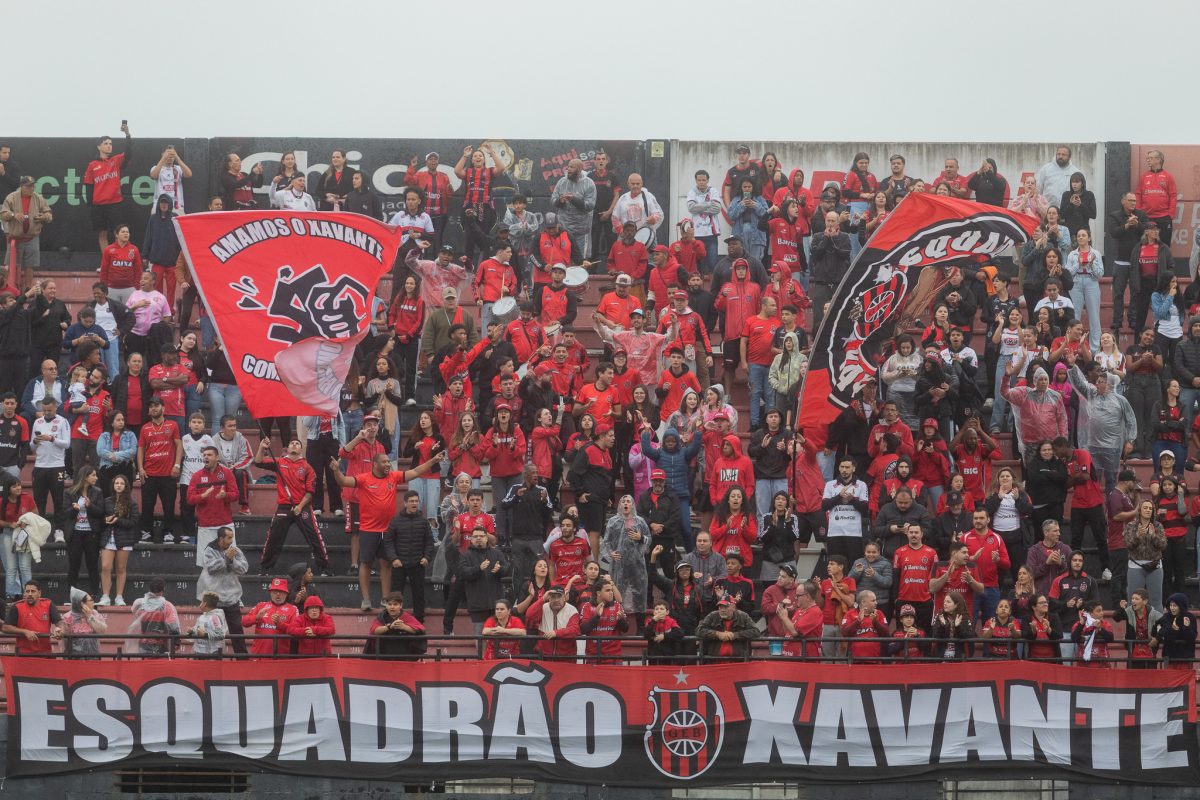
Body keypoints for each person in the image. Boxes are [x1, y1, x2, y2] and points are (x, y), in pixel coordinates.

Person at [329, 448, 442, 611]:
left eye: (389, 461)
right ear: (375, 464)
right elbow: (343, 482)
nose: (388, 464)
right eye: (384, 462)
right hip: (368, 529)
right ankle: (366, 599)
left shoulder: (394, 477)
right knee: (366, 563)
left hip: (389, 530)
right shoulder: (364, 479)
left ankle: (385, 599)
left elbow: (416, 471)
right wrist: (336, 470)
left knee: (386, 564)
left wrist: (433, 461)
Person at [383, 490, 436, 623]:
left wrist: (427, 557)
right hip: (399, 564)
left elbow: (429, 542)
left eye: (416, 501)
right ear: (405, 502)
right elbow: (388, 541)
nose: (414, 503)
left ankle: (419, 622)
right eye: (411, 501)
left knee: (419, 595)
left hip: (418, 564)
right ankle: (392, 620)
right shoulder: (396, 521)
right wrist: (394, 558)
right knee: (395, 595)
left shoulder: (424, 521)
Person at [195, 526, 247, 655]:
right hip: (214, 599)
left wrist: (232, 560)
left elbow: (244, 568)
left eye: (232, 537)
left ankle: (242, 659)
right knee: (213, 630)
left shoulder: (235, 551)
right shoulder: (209, 550)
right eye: (228, 538)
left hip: (231, 598)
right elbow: (211, 568)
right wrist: (225, 559)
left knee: (236, 630)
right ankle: (213, 657)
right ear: (221, 538)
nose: (231, 541)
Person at [84, 124, 133, 253]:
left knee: (119, 233)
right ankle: (106, 262)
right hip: (99, 206)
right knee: (102, 234)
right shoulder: (92, 165)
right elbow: (88, 186)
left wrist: (127, 135)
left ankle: (119, 259)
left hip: (115, 203)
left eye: (110, 143)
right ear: (99, 146)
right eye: (105, 143)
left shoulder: (115, 160)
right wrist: (91, 204)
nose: (109, 146)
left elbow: (129, 154)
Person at [30, 395, 68, 542]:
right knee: (39, 501)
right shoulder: (37, 422)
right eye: (44, 410)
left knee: (58, 500)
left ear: (55, 408)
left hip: (57, 466)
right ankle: (41, 532)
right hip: (40, 466)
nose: (46, 413)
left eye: (49, 410)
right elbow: (31, 446)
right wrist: (35, 440)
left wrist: (52, 438)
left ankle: (59, 531)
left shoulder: (62, 422)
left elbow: (67, 443)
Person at [808, 211, 851, 334]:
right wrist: (826, 238)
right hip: (821, 282)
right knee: (818, 317)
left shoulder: (844, 237)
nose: (830, 224)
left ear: (838, 222)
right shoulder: (817, 236)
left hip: (839, 283)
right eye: (828, 221)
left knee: (841, 316)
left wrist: (834, 239)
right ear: (825, 221)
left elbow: (844, 254)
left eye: (833, 221)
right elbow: (816, 254)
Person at [0, 176, 52, 278]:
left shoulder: (38, 198)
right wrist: (13, 215)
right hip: (15, 237)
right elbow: (3, 214)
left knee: (30, 265)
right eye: (29, 186)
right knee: (11, 265)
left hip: (32, 237)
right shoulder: (11, 197)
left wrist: (44, 216)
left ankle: (28, 289)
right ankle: (11, 288)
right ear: (21, 187)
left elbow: (49, 215)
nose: (32, 188)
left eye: (33, 186)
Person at [65, 465, 104, 597]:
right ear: (85, 477)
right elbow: (65, 514)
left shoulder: (97, 492)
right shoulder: (70, 492)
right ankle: (71, 595)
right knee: (74, 565)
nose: (96, 477)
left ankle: (94, 595)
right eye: (93, 475)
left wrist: (90, 506)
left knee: (92, 565)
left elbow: (101, 512)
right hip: (75, 533)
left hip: (91, 534)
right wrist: (74, 509)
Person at [822, 457, 869, 562]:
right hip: (834, 532)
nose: (844, 470)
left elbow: (865, 508)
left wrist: (852, 499)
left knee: (854, 565)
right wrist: (839, 496)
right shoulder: (830, 485)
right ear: (838, 468)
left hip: (854, 533)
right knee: (835, 565)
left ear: (853, 468)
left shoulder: (861, 485)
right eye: (842, 467)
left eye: (847, 467)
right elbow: (824, 505)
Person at [242, 577, 299, 656]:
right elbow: (244, 622)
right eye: (275, 591)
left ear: (286, 594)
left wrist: (280, 624)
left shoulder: (292, 609)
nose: (278, 594)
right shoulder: (261, 605)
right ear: (270, 592)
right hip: (258, 656)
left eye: (281, 592)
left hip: (281, 657)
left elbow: (296, 631)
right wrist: (256, 617)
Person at [3, 579, 62, 654]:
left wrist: (61, 630)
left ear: (39, 593)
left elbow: (59, 622)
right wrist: (25, 631)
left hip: (45, 652)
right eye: (27, 591)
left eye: (33, 591)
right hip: (23, 653)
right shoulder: (17, 606)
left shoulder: (48, 604)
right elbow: (5, 627)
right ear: (24, 593)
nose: (30, 594)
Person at [128, 576, 180, 657]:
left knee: (144, 667)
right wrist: (177, 641)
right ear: (163, 589)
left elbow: (133, 611)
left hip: (143, 645)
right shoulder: (168, 606)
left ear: (149, 589)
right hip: (161, 646)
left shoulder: (138, 603)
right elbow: (173, 627)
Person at [695, 596, 758, 661]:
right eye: (720, 607)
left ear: (733, 607)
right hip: (714, 661)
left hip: (738, 661)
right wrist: (717, 634)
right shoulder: (712, 616)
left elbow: (756, 631)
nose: (722, 610)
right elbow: (699, 630)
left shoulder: (743, 616)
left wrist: (735, 635)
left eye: (725, 607)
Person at [1137, 149, 1177, 247]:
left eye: (1150, 158)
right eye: (1147, 158)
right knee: (1146, 245)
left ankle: (1163, 263)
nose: (1148, 160)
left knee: (1164, 246)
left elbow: (1173, 196)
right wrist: (1139, 213)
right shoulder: (1144, 177)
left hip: (1164, 218)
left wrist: (1170, 215)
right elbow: (1138, 194)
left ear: (1158, 160)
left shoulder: (1168, 176)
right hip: (1147, 217)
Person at [369, 592, 427, 658]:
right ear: (386, 605)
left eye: (395, 604)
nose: (392, 607)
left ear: (401, 605)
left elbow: (421, 630)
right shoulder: (382, 617)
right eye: (389, 604)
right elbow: (374, 631)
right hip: (384, 656)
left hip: (404, 656)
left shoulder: (407, 617)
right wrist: (389, 627)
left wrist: (404, 627)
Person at [1150, 593, 1196, 669]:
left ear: (1181, 606)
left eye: (1175, 605)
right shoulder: (1166, 617)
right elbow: (1165, 637)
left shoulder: (1190, 617)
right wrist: (1173, 630)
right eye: (1171, 605)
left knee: (1185, 680)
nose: (1172, 608)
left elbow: (1192, 638)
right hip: (1169, 657)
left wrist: (1187, 628)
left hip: (1186, 657)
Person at [1120, 589, 1161, 668]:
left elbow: (1166, 626)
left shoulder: (1153, 613)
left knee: (1150, 679)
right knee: (1132, 679)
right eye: (1132, 599)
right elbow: (1117, 617)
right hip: (1133, 655)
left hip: (1150, 654)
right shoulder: (1128, 611)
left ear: (1145, 601)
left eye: (1136, 599)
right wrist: (1121, 609)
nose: (1133, 601)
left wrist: (1157, 638)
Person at [930, 592, 975, 660]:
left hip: (959, 656)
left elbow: (968, 636)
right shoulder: (940, 615)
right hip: (941, 655)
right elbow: (935, 635)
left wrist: (958, 627)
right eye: (944, 601)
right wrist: (943, 626)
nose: (945, 603)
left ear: (956, 604)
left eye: (948, 602)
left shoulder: (964, 617)